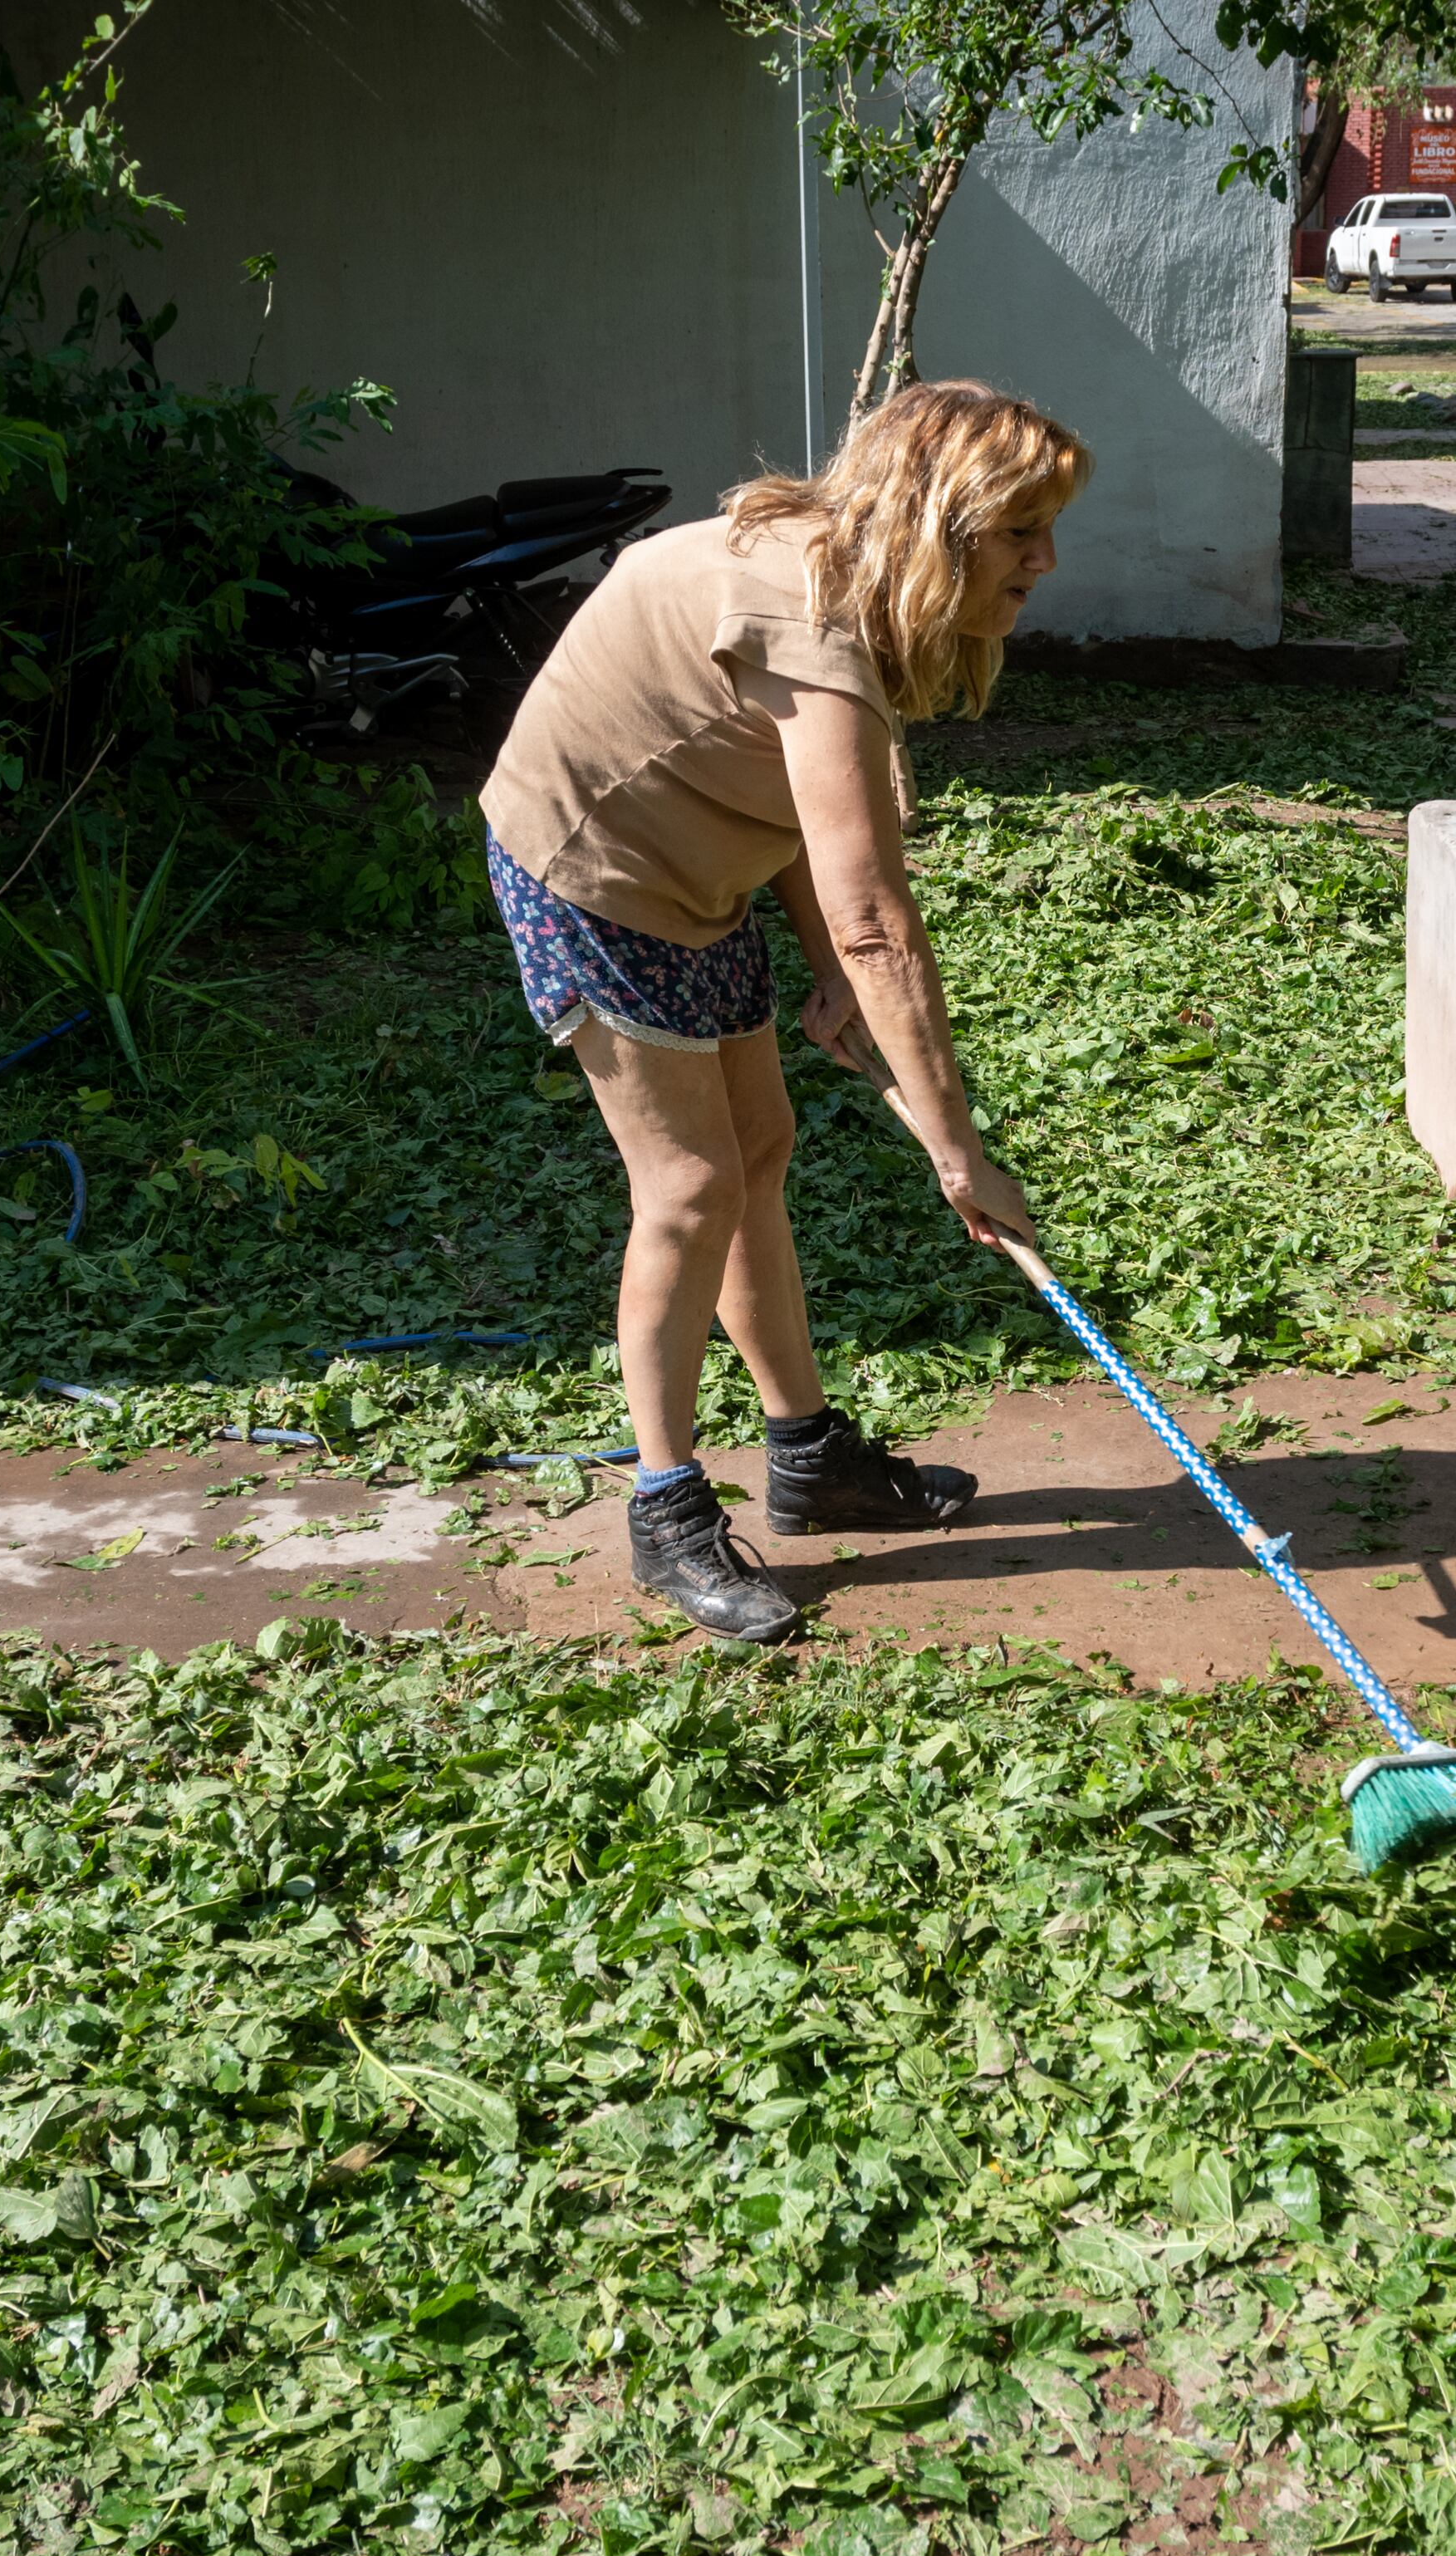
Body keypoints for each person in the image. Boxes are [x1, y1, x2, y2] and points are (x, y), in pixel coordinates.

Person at [478, 381, 1081, 1643]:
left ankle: (806, 1456)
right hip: (588, 870)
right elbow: (877, 918)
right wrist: (957, 1149)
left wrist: (822, 969)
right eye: (1022, 526)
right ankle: (665, 1509)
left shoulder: (852, 597)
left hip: (697, 869)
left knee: (762, 1149)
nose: (1046, 556)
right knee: (692, 1184)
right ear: (942, 520)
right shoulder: (806, 619)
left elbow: (815, 834)